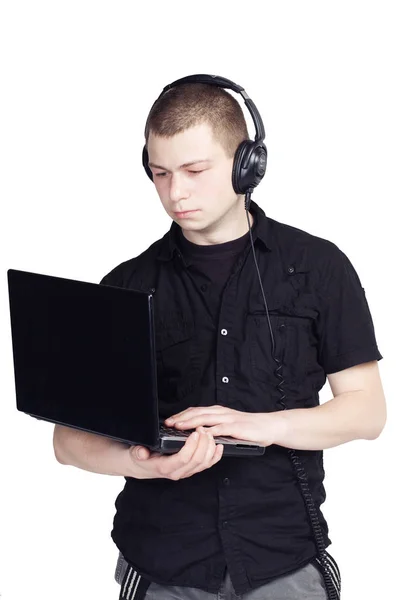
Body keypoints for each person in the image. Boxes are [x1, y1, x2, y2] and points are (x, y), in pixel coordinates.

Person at [53, 75, 386, 600]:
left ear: (245, 165)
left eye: (194, 170)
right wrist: (139, 463)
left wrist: (257, 426)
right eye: (160, 173)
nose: (175, 192)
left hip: (284, 561)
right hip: (162, 564)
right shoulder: (125, 284)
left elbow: (367, 413)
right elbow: (68, 441)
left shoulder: (320, 268)